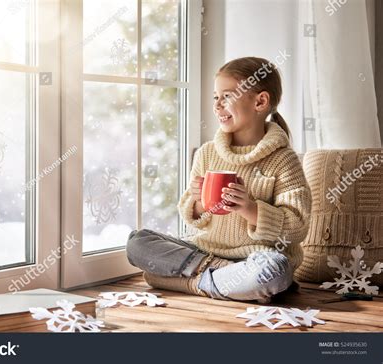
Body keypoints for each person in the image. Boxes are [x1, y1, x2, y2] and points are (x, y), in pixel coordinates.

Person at [126, 57, 311, 303]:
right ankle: (219, 279)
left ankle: (185, 281)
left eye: (227, 96)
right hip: (205, 251)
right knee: (138, 242)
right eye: (216, 97)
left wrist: (250, 209)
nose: (217, 105)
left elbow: (297, 227)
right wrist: (198, 201)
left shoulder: (284, 160)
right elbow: (194, 219)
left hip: (256, 258)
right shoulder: (207, 153)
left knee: (274, 272)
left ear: (260, 101)